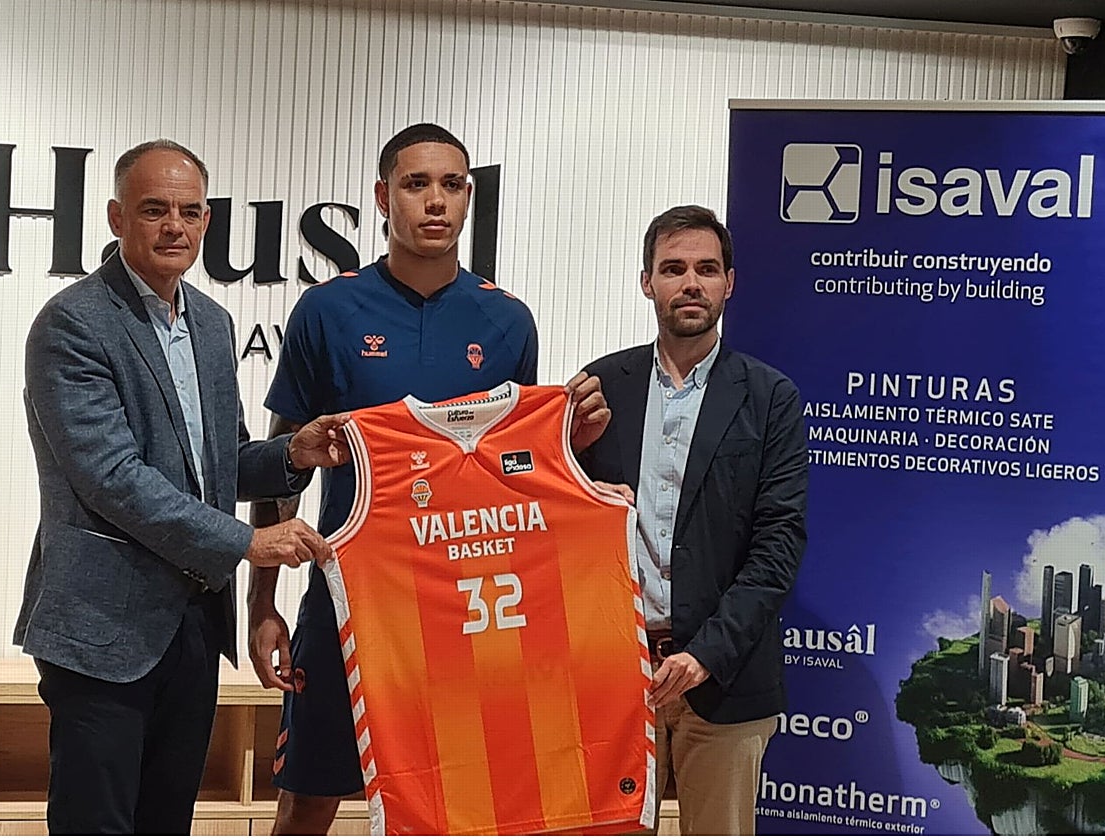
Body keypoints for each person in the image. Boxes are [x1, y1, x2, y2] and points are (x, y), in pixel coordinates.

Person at [248, 122, 610, 834]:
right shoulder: (327, 311)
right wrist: (263, 602)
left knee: (461, 796)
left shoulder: (507, 319)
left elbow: (514, 473)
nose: (435, 201)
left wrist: (576, 451)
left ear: (470, 197)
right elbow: (282, 460)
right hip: (348, 592)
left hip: (463, 604)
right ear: (384, 198)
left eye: (451, 185)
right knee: (310, 796)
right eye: (416, 185)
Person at [15, 139, 348, 835]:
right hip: (101, 632)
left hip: (193, 628)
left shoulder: (211, 323)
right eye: (154, 209)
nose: (176, 226)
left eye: (191, 211)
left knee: (168, 824)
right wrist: (247, 541)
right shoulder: (72, 324)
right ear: (114, 217)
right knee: (96, 826)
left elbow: (216, 464)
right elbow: (112, 479)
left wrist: (294, 451)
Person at [577, 205, 808, 836]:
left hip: (726, 679)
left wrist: (704, 653)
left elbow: (778, 547)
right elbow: (554, 519)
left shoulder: (769, 397)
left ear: (729, 282)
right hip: (613, 672)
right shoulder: (598, 390)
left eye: (707, 269)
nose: (691, 283)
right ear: (646, 282)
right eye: (673, 268)